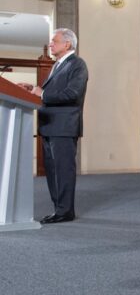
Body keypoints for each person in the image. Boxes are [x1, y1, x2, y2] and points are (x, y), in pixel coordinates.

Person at [20, 28, 88, 224]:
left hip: (64, 127)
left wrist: (40, 93)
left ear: (67, 44)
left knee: (63, 170)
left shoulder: (77, 64)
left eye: (54, 41)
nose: (50, 44)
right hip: (50, 126)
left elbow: (72, 94)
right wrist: (31, 90)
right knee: (52, 171)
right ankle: (58, 209)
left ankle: (65, 211)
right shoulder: (57, 65)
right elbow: (48, 92)